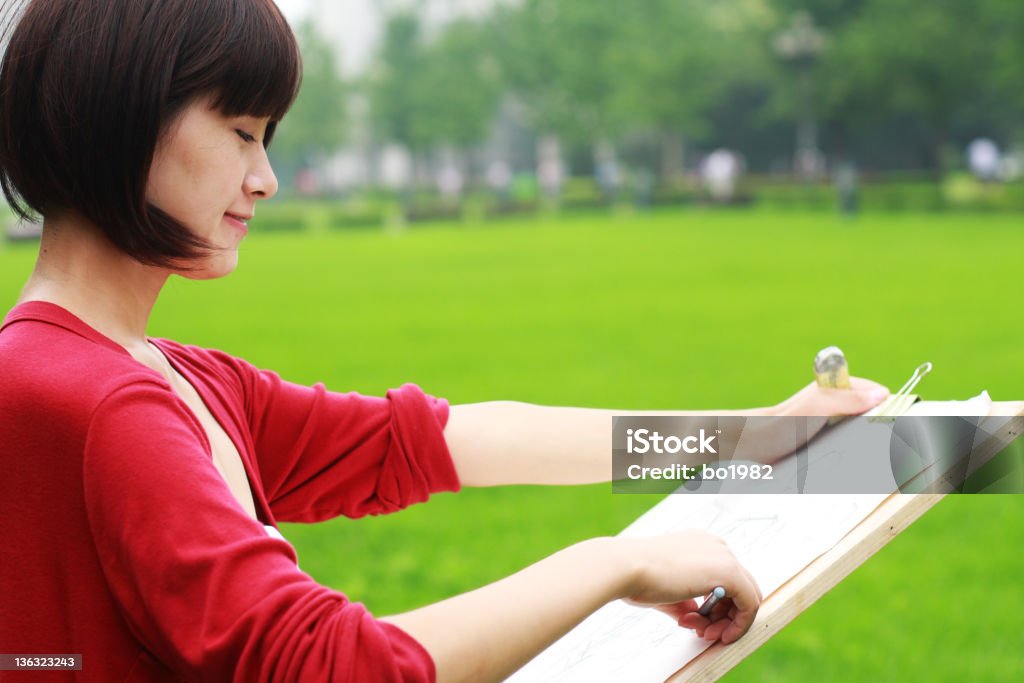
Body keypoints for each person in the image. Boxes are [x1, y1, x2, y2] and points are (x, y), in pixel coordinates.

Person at [0, 2, 891, 682]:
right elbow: (327, 664)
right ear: (122, 116)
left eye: (268, 139)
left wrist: (761, 437)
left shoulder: (162, 377)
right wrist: (614, 561)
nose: (265, 177)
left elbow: (429, 440)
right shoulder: (101, 401)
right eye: (240, 132)